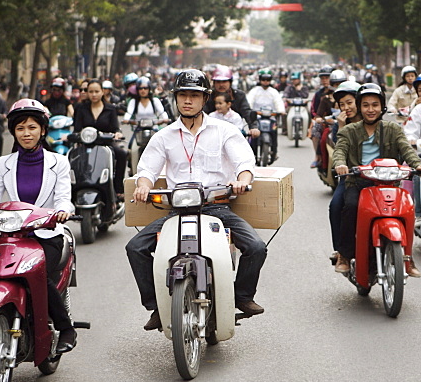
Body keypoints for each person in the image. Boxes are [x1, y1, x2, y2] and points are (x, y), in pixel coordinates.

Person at [126, 69, 267, 331]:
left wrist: (241, 180)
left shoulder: (225, 131)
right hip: (176, 211)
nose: (187, 101)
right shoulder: (163, 136)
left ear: (205, 99)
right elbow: (146, 171)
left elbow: (244, 163)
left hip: (216, 207)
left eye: (194, 95)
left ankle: (243, 295)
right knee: (135, 248)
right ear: (175, 99)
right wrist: (142, 187)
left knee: (256, 247)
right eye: (183, 95)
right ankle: (156, 305)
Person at [0, 99, 78, 353]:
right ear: (13, 132)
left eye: (32, 127)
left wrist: (63, 211)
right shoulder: (4, 163)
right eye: (20, 128)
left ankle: (66, 328)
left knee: (39, 276)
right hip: (13, 235)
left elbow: (64, 198)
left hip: (47, 234)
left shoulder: (59, 162)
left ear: (43, 130)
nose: (26, 133)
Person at [332, 83, 421, 277]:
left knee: (407, 209)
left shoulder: (393, 128)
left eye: (375, 105)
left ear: (382, 106)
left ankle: (407, 258)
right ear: (359, 107)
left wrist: (417, 164)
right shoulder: (349, 130)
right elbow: (340, 151)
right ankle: (344, 254)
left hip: (388, 183)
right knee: (350, 205)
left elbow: (406, 149)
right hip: (358, 183)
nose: (371, 109)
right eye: (366, 105)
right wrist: (340, 164)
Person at [74, 79, 128, 202]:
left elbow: (115, 128)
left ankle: (118, 189)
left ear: (103, 92)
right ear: (87, 93)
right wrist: (74, 136)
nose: (94, 94)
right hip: (85, 145)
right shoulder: (81, 108)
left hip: (106, 145)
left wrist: (117, 134)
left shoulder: (110, 109)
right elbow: (77, 129)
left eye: (96, 91)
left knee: (122, 154)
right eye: (91, 91)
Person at [326, 82, 363, 259]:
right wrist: (341, 126)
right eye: (342, 104)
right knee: (336, 206)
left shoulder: (373, 120)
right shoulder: (339, 125)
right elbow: (339, 149)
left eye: (350, 102)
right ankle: (340, 250)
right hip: (350, 177)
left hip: (377, 176)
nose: (347, 108)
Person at [247, 69, 286, 164]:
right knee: (253, 136)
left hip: (271, 117)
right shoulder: (254, 91)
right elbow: (249, 102)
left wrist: (281, 111)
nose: (265, 81)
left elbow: (278, 102)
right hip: (257, 118)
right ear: (260, 80)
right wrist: (250, 110)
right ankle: (251, 154)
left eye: (267, 79)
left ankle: (274, 152)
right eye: (263, 79)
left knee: (274, 133)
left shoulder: (274, 92)